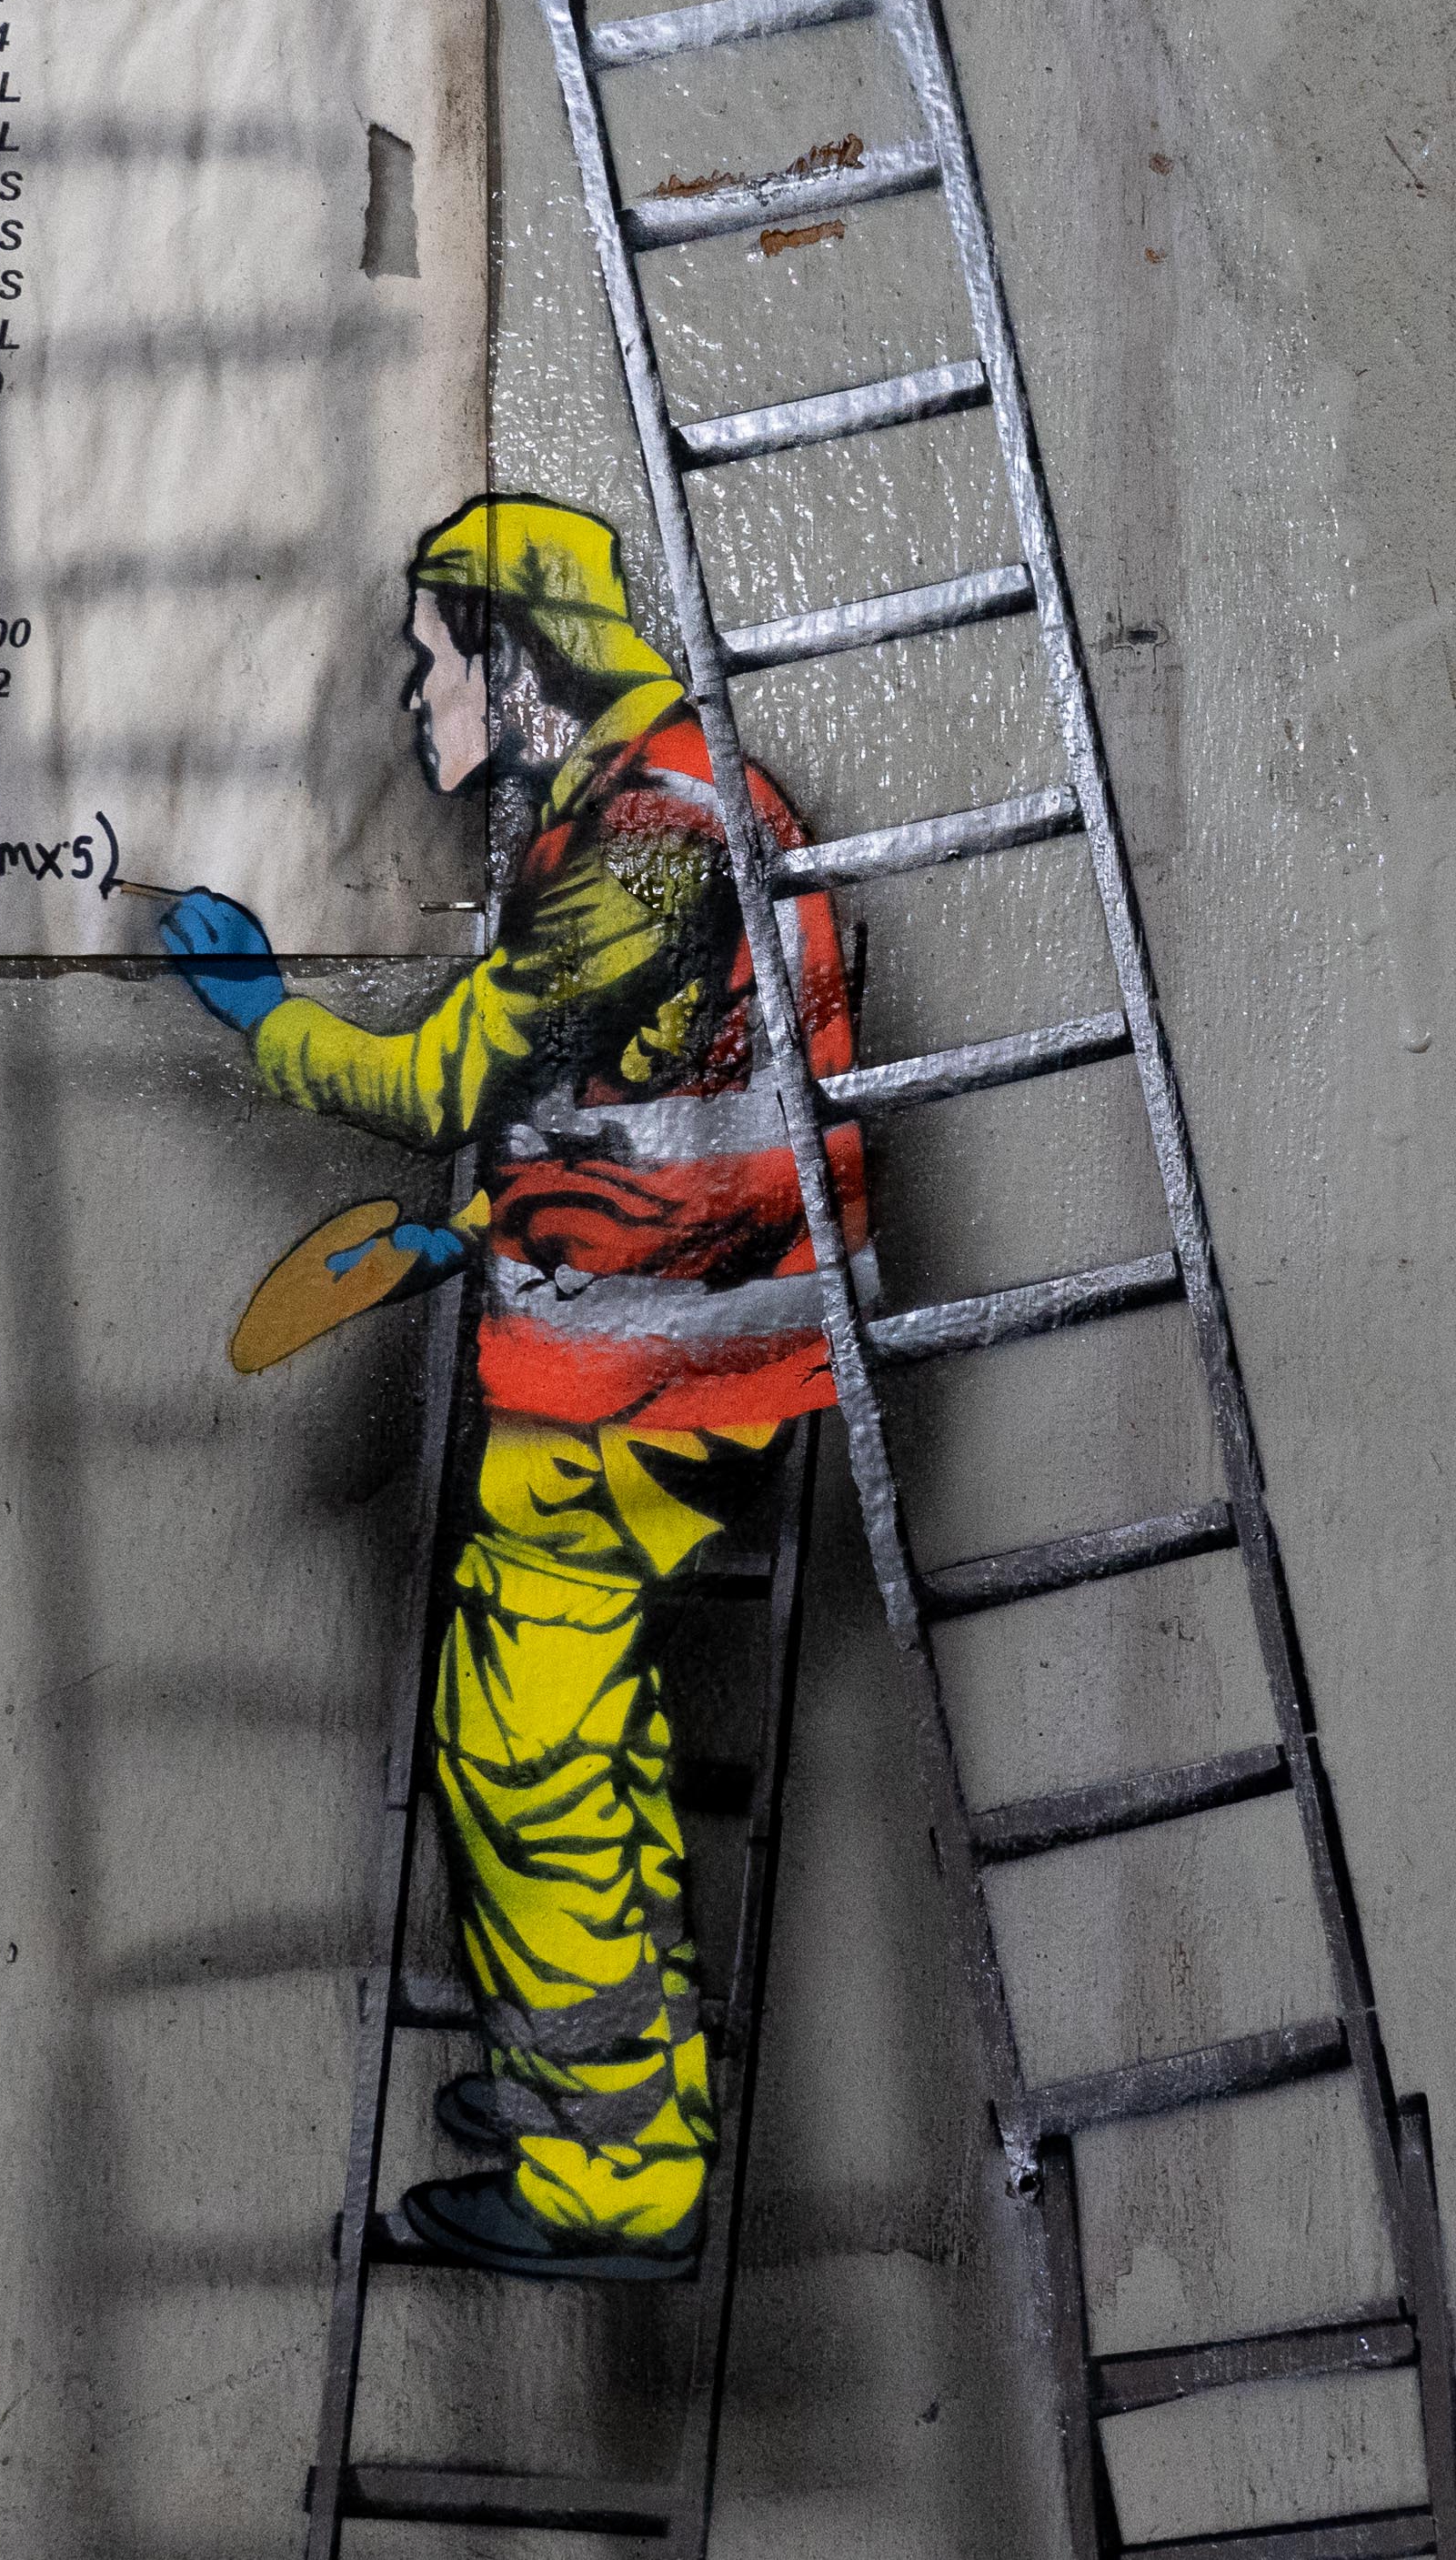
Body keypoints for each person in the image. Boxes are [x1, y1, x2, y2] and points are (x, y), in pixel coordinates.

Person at [155, 494, 863, 2283]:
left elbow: (454, 1075)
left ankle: (610, 2183)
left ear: (521, 660)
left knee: (527, 1767)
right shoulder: (653, 808)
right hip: (660, 1342)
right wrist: (479, 1230)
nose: (415, 698)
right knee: (580, 1748)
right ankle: (600, 2091)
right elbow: (651, 1100)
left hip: (644, 1387)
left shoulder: (651, 836)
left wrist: (257, 1015)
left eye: (433, 661)